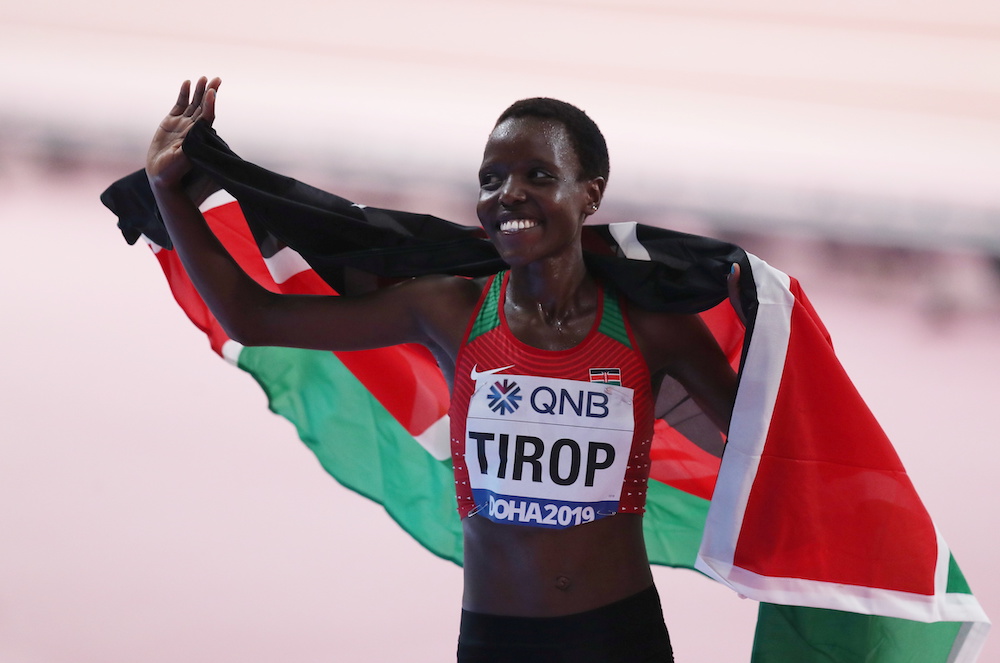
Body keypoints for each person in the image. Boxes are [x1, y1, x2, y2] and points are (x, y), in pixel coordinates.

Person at [146, 76, 742, 662]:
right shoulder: (447, 310)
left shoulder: (653, 327)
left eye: (538, 175)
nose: (508, 193)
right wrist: (168, 191)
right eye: (491, 179)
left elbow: (766, 447)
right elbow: (256, 319)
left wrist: (760, 334)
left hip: (618, 639)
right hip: (494, 641)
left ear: (591, 193)